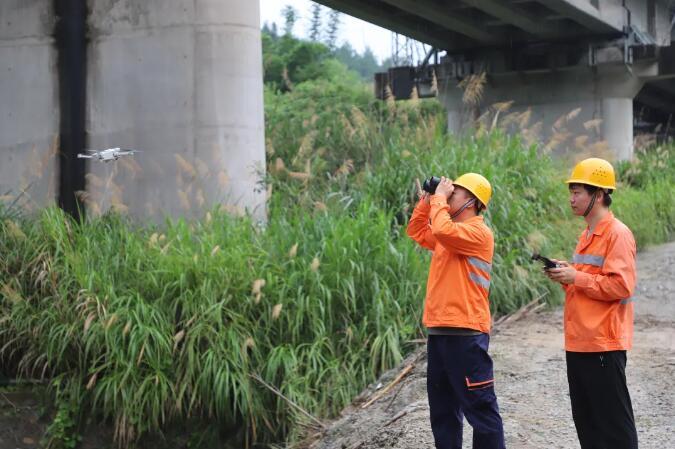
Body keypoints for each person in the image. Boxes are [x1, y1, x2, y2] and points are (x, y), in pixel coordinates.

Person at [407, 173, 505, 449]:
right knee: (443, 412)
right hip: (440, 332)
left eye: (455, 193)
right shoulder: (447, 234)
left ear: (472, 202)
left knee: (481, 410)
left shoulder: (477, 232)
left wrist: (439, 199)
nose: (449, 195)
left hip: (466, 335)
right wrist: (428, 201)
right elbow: (416, 230)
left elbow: (441, 230)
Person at [545, 158, 638, 449]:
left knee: (614, 429)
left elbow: (621, 286)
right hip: (580, 342)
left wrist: (576, 277)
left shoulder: (617, 234)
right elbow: (588, 281)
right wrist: (566, 275)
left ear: (598, 195)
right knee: (588, 425)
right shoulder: (586, 234)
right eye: (571, 192)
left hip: (603, 345)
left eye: (578, 192)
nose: (571, 198)